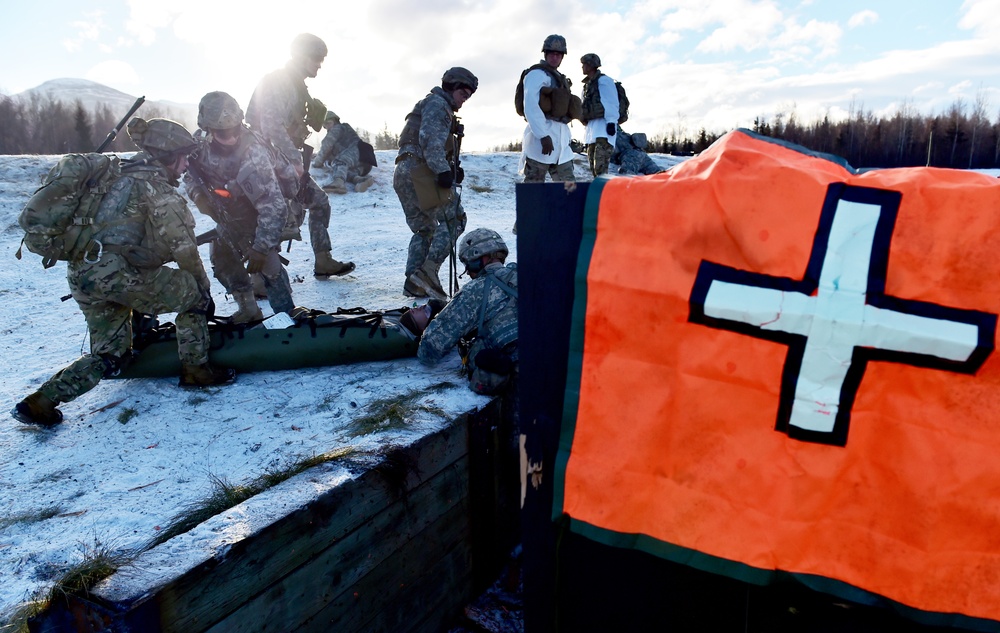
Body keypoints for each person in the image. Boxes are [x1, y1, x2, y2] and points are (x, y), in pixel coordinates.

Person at [11, 117, 236, 427]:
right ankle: (196, 370)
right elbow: (183, 247)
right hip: (118, 275)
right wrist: (202, 291)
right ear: (167, 156)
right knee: (192, 292)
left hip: (83, 275)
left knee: (110, 353)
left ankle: (41, 402)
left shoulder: (114, 175)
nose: (186, 164)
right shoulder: (157, 188)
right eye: (184, 157)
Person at [246, 32, 355, 278]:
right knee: (276, 215)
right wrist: (294, 162)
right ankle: (261, 280)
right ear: (300, 56)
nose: (319, 64)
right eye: (316, 59)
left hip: (281, 155)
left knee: (318, 203)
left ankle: (323, 259)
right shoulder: (279, 81)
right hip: (267, 158)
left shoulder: (295, 85)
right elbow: (271, 126)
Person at [185, 91, 297, 323]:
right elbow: (188, 172)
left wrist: (261, 247)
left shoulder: (253, 153)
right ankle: (248, 308)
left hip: (273, 210)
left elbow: (274, 207)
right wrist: (197, 195)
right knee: (222, 256)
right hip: (232, 212)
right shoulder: (199, 146)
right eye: (221, 132)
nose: (230, 137)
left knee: (268, 265)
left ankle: (287, 316)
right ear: (207, 130)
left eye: (234, 130)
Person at [393, 67, 477, 301]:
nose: (465, 97)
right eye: (464, 92)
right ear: (452, 86)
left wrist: (451, 169)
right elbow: (429, 140)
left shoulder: (430, 104)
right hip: (420, 170)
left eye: (469, 94)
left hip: (403, 171)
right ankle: (428, 273)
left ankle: (415, 282)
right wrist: (442, 171)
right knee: (455, 219)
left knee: (425, 228)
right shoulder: (439, 105)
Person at [417, 228, 518, 397]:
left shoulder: (476, 289)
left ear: (483, 259)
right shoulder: (527, 274)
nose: (469, 272)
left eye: (469, 264)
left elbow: (429, 349)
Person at [519, 34, 577, 184]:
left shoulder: (560, 78)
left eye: (558, 54)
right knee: (533, 193)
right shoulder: (536, 74)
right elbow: (530, 106)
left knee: (569, 192)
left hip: (562, 145)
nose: (555, 57)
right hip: (540, 143)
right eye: (552, 53)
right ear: (545, 54)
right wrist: (543, 135)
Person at [313, 111, 376, 194]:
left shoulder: (338, 128)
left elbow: (326, 146)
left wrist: (317, 163)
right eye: (325, 126)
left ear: (335, 121)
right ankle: (360, 180)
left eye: (329, 123)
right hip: (364, 163)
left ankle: (338, 184)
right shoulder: (344, 130)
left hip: (358, 151)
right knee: (341, 169)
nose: (327, 127)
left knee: (338, 162)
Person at [579, 53, 620, 177]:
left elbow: (611, 102)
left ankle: (607, 195)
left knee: (601, 170)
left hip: (604, 131)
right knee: (594, 171)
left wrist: (611, 122)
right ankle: (600, 195)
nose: (582, 67)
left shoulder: (604, 81)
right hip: (592, 131)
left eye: (584, 64)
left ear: (591, 65)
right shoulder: (587, 85)